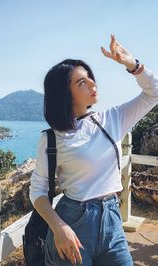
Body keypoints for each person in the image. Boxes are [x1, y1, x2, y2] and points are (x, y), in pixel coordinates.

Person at [29, 34, 158, 266]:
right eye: (82, 82)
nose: (92, 84)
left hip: (111, 217)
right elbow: (37, 190)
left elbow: (154, 93)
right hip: (73, 223)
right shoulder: (52, 138)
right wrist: (59, 227)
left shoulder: (112, 119)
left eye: (90, 77)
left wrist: (132, 65)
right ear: (64, 95)